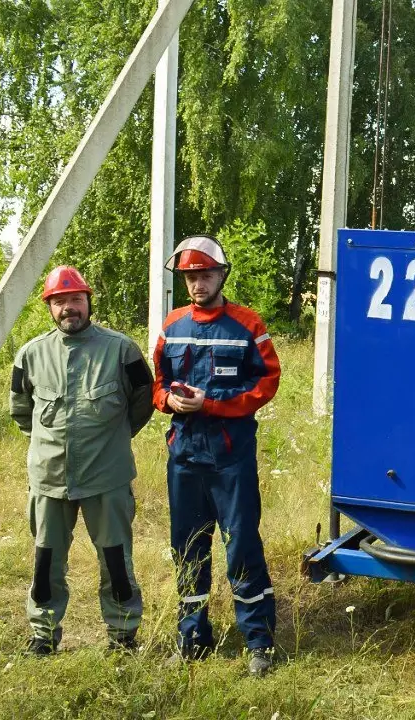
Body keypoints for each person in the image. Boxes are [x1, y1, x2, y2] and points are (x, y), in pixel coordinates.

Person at [152, 234, 281, 676]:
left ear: (221, 275)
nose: (197, 284)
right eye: (190, 276)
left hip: (231, 457)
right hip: (185, 456)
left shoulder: (248, 325)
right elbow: (157, 384)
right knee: (187, 548)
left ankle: (259, 643)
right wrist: (168, 402)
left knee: (242, 545)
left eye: (204, 274)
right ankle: (192, 639)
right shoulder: (171, 326)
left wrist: (212, 403)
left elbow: (266, 383)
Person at [9, 265, 154, 655]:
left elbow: (144, 401)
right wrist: (49, 444)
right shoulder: (31, 355)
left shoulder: (121, 350)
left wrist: (111, 439)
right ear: (49, 307)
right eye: (59, 301)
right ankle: (43, 635)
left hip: (106, 479)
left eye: (75, 299)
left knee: (116, 564)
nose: (68, 308)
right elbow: (22, 411)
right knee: (46, 563)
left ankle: (123, 635)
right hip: (49, 479)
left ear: (89, 302)